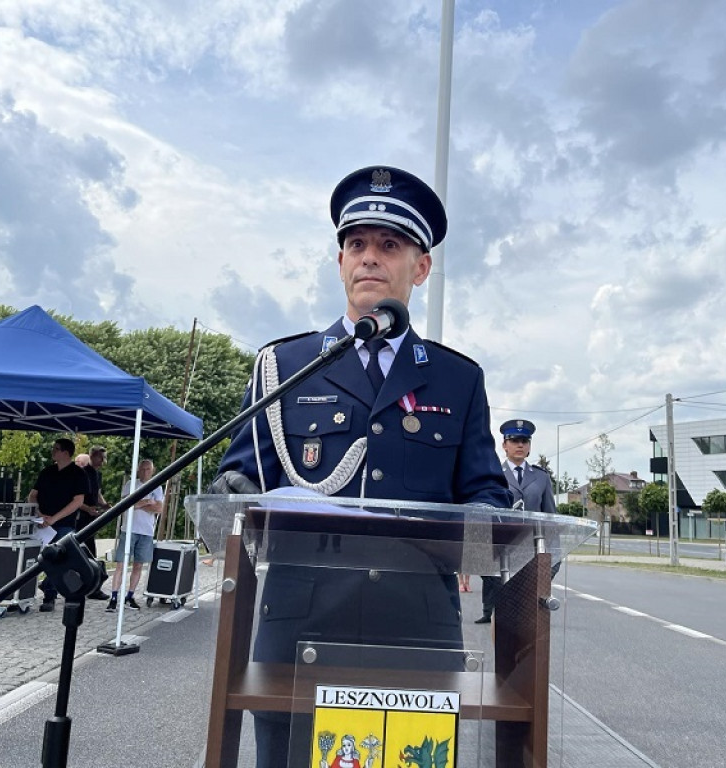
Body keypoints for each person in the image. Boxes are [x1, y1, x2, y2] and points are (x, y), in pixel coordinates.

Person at [214, 165, 511, 768]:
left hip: (417, 624)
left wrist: (476, 554)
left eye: (389, 245)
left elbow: (485, 494)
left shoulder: (457, 378)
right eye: (357, 244)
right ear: (341, 260)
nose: (369, 257)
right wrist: (231, 497)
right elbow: (238, 481)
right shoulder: (284, 366)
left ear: (420, 268)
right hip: (298, 623)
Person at [476, 419, 558, 624]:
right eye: (514, 440)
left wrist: (553, 559)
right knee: (500, 611)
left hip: (530, 551)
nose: (520, 445)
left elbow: (549, 517)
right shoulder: (492, 474)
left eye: (524, 441)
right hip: (500, 550)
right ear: (504, 445)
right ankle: (492, 615)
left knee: (526, 614)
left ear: (529, 446)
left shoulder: (541, 477)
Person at [28, 438, 88, 612]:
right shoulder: (47, 472)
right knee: (38, 559)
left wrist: (54, 518)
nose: (53, 451)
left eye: (56, 449)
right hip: (41, 523)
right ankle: (35, 589)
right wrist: (39, 514)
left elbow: (78, 501)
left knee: (58, 560)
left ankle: (49, 596)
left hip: (64, 524)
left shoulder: (78, 474)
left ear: (66, 452)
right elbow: (32, 495)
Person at [107, 459, 164, 612]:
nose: (145, 472)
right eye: (142, 469)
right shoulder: (131, 484)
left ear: (153, 470)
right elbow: (125, 504)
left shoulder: (157, 487)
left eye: (148, 469)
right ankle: (114, 597)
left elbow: (159, 508)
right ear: (138, 470)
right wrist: (146, 503)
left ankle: (130, 595)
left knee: (138, 565)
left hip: (146, 531)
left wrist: (138, 504)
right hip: (129, 529)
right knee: (121, 564)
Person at [75, 445, 109, 600]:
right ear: (93, 456)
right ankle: (91, 586)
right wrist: (88, 508)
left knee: (89, 551)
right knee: (86, 552)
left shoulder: (97, 474)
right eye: (101, 458)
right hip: (81, 518)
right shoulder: (82, 474)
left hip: (91, 517)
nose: (102, 462)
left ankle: (90, 585)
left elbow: (98, 492)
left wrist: (104, 504)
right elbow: (74, 498)